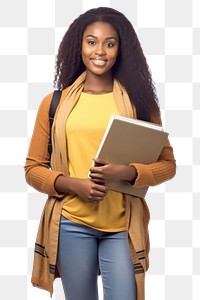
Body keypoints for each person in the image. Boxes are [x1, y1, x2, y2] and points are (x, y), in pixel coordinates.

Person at [25, 7, 176, 300]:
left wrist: (128, 172)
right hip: (71, 223)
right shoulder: (53, 103)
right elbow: (33, 169)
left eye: (110, 43)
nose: (100, 51)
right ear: (78, 46)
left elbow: (168, 166)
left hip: (121, 226)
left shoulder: (140, 105)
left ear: (121, 49)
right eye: (92, 41)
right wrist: (74, 185)